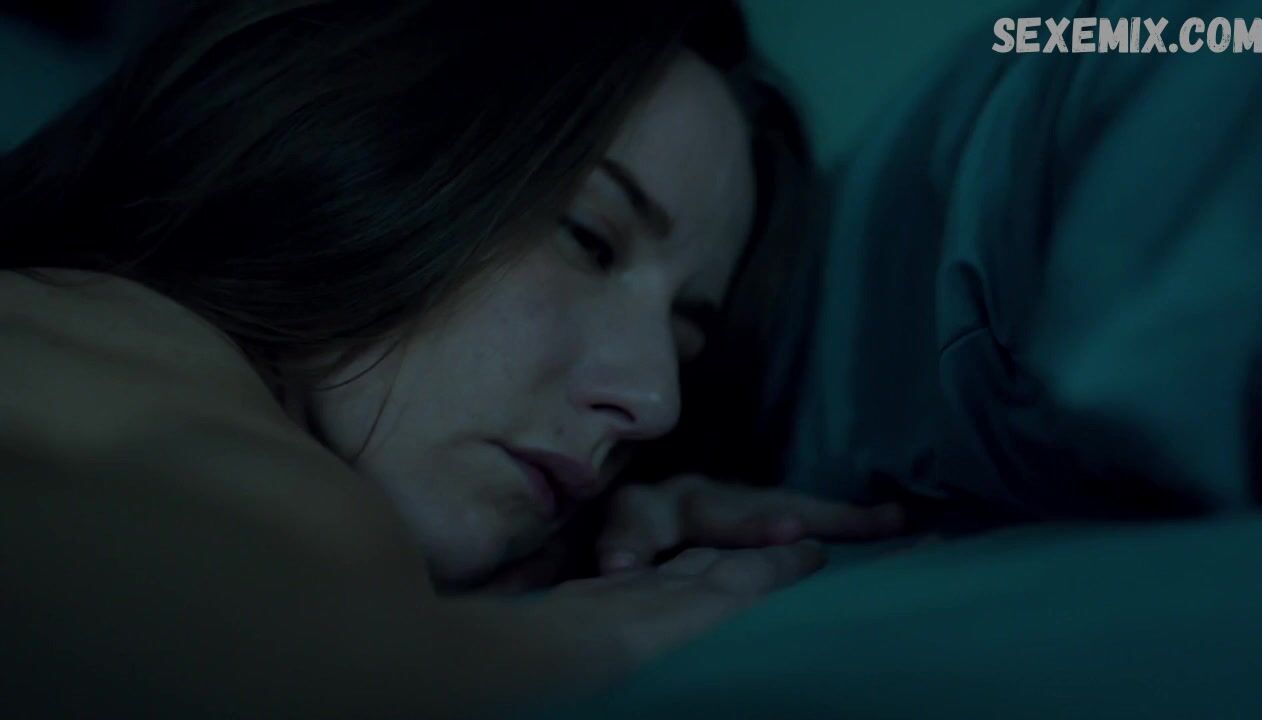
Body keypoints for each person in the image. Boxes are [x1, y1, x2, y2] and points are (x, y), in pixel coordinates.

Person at [0, 1, 903, 716]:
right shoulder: (242, 454)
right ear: (356, 131)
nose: (656, 401)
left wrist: (573, 560)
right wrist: (573, 641)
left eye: (683, 341)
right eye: (589, 239)